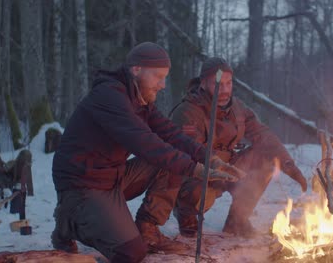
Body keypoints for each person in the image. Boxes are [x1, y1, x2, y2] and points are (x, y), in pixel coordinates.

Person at [51, 43, 244, 263]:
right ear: (136, 70)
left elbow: (170, 133)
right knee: (131, 253)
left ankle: (147, 228)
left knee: (172, 158)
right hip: (83, 185)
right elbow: (146, 143)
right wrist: (196, 169)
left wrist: (210, 159)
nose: (162, 85)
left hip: (112, 179)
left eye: (165, 78)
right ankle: (70, 220)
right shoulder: (109, 97)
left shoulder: (138, 98)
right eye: (158, 77)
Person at [169, 57, 308, 238]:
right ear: (203, 83)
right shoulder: (187, 111)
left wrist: (288, 164)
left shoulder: (238, 108)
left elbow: (262, 135)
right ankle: (186, 215)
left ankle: (237, 221)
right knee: (197, 191)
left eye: (229, 83)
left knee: (264, 158)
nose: (225, 90)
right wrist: (218, 170)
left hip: (230, 166)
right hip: (197, 171)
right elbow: (190, 152)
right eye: (218, 84)